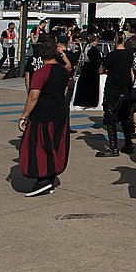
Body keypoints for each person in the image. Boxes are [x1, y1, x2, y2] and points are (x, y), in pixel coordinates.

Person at [17, 40, 71, 196]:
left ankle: (43, 180)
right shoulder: (63, 71)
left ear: (41, 55)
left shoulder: (41, 73)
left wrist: (24, 116)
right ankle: (49, 179)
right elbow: (64, 88)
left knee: (38, 148)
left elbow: (33, 97)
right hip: (60, 113)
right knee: (55, 145)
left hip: (43, 115)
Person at [97, 33, 135, 157]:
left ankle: (113, 147)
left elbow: (100, 70)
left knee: (110, 119)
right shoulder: (129, 55)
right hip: (125, 90)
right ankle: (128, 143)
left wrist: (108, 70)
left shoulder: (111, 55)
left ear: (114, 40)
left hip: (113, 90)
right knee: (125, 118)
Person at [73, 35, 102, 108]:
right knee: (91, 86)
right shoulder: (93, 50)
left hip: (86, 67)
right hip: (92, 68)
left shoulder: (85, 48)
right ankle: (91, 102)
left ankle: (83, 101)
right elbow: (96, 61)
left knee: (84, 85)